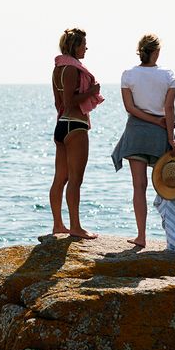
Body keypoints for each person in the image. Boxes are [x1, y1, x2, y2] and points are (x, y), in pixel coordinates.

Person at [110, 34, 175, 248]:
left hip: (136, 133)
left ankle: (141, 236)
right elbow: (169, 109)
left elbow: (130, 109)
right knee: (168, 186)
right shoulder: (168, 75)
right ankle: (173, 237)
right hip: (159, 135)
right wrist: (170, 136)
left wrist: (153, 120)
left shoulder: (128, 75)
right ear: (156, 52)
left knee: (139, 186)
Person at [49, 28, 104, 239]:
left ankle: (58, 225)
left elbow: (58, 103)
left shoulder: (57, 69)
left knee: (60, 178)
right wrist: (92, 91)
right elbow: (70, 101)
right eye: (83, 44)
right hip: (75, 126)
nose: (86, 48)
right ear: (74, 46)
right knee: (75, 180)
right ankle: (76, 227)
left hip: (61, 125)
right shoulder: (72, 70)